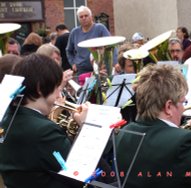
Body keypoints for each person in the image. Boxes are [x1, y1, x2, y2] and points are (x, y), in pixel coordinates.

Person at [0, 54, 88, 188]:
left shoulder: (6, 119)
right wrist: (86, 127)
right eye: (56, 89)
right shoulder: (43, 131)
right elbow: (81, 173)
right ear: (40, 88)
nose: (59, 95)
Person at [66, 5, 113, 76]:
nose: (84, 18)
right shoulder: (74, 32)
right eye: (81, 17)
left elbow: (111, 45)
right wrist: (73, 63)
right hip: (81, 70)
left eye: (86, 15)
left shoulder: (100, 28)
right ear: (78, 19)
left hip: (100, 68)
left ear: (91, 16)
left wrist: (115, 62)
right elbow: (68, 50)